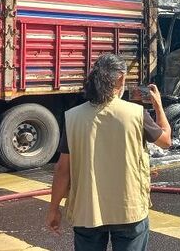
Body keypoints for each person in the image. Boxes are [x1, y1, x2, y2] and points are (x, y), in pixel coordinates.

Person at [46, 54, 172, 251]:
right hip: (128, 209)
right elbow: (166, 141)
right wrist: (158, 106)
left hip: (87, 212)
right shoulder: (137, 113)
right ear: (120, 79)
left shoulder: (73, 118)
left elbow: (63, 169)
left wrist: (54, 209)